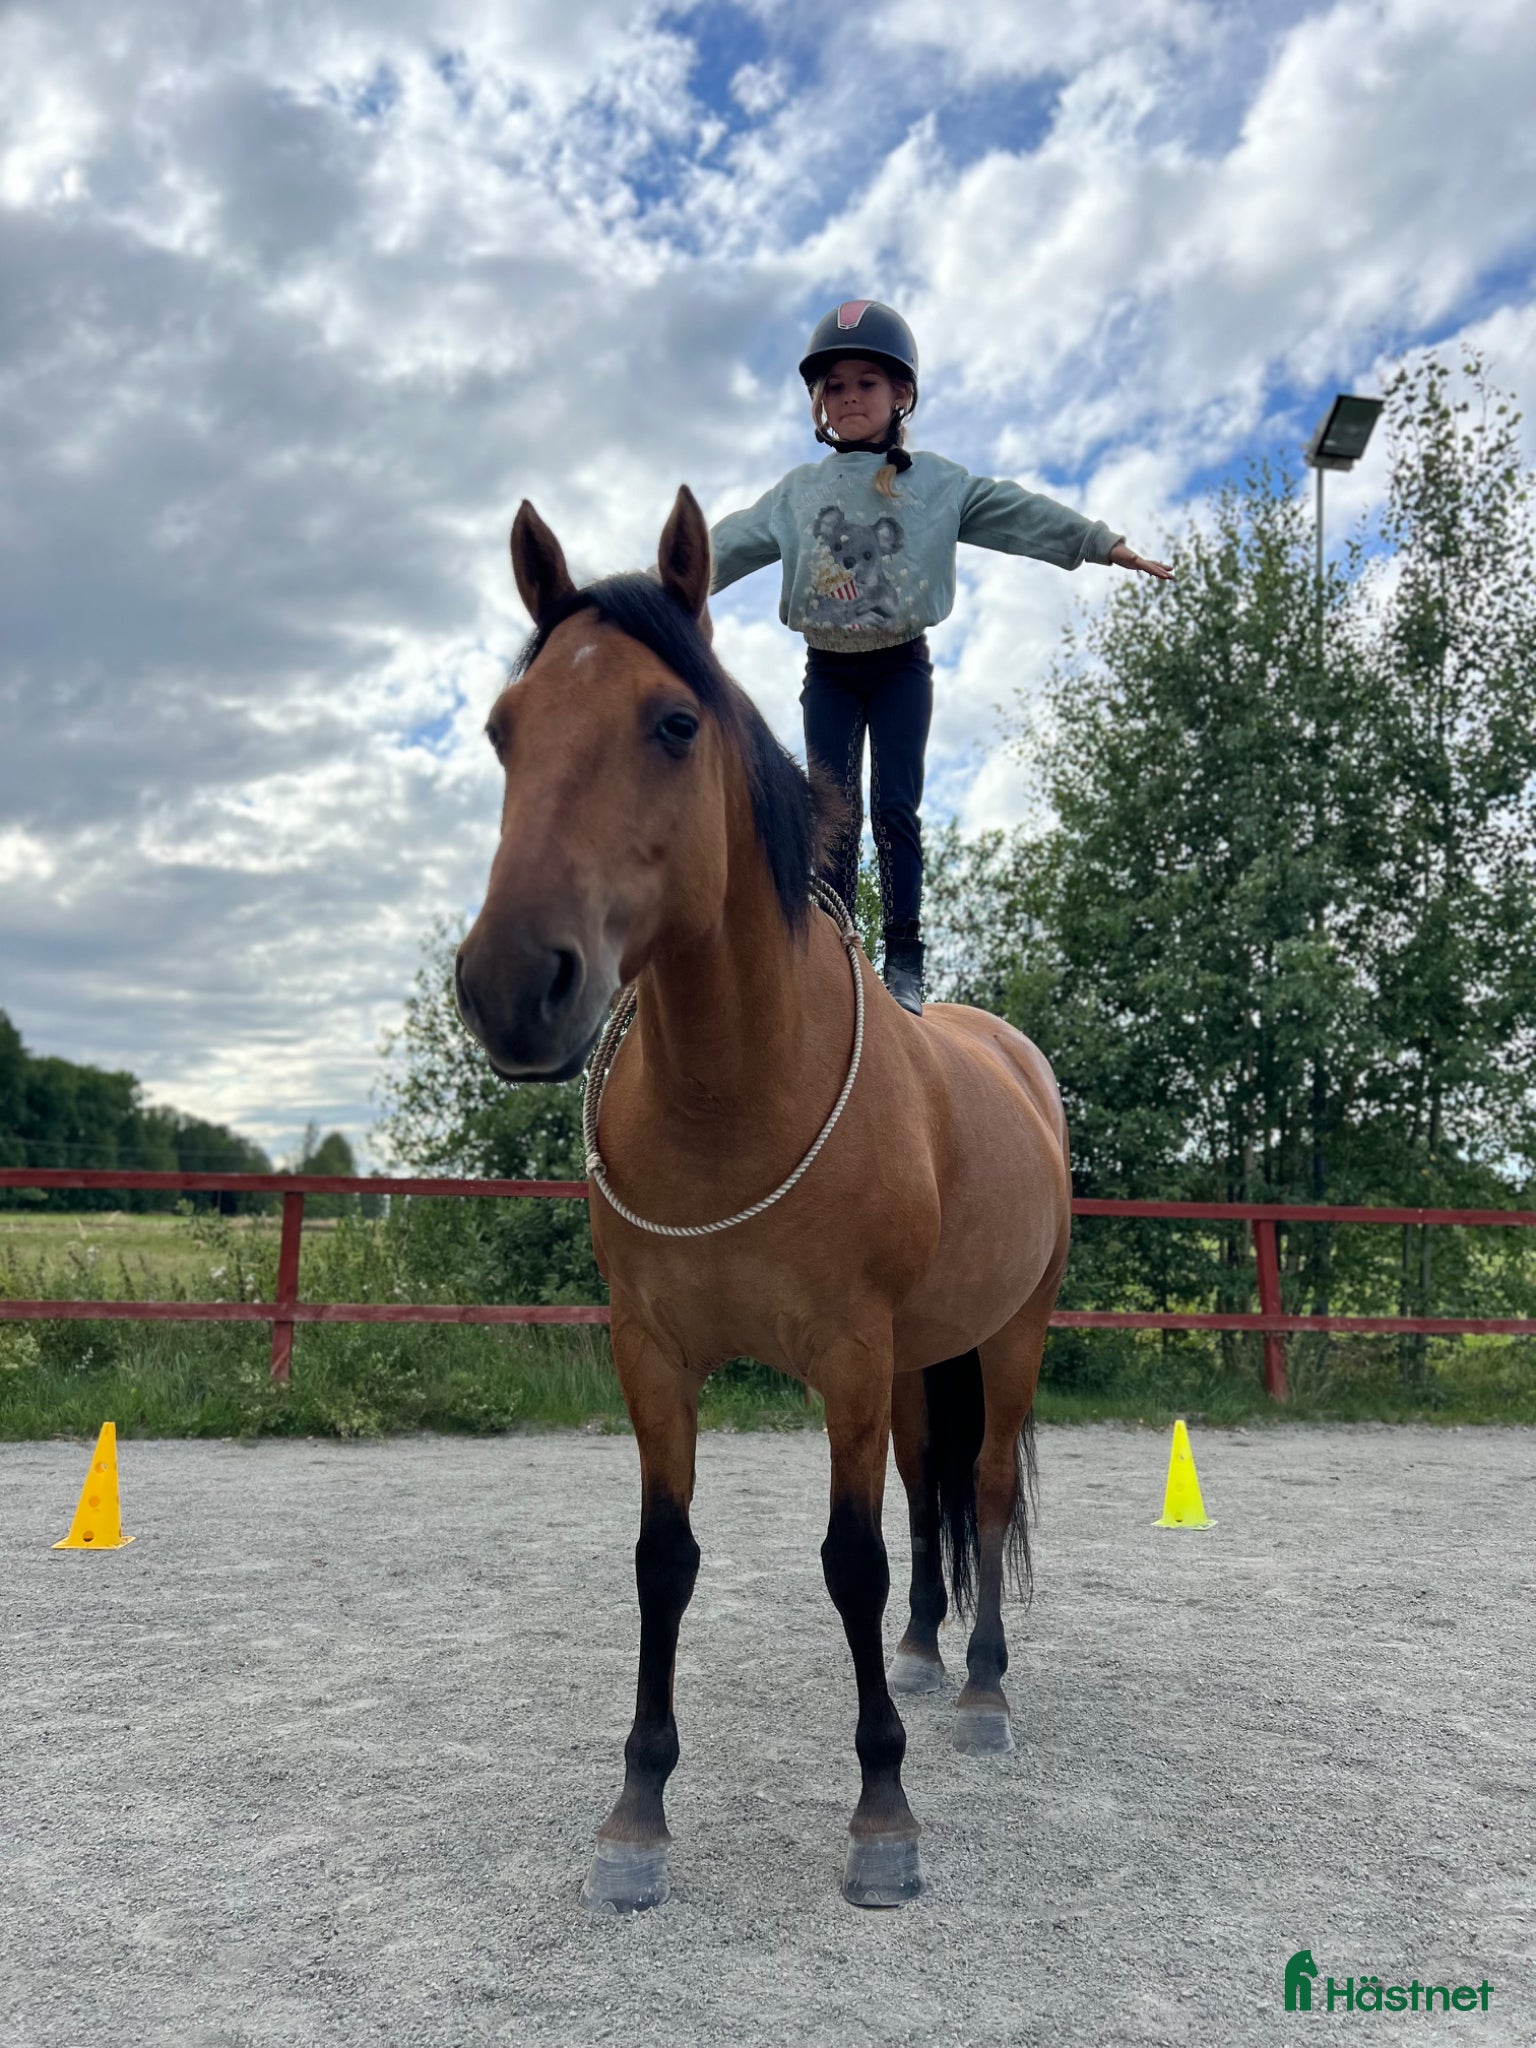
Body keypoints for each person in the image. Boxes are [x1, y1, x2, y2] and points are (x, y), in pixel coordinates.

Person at [708, 299, 1172, 1014]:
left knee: (896, 806)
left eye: (868, 382)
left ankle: (904, 959)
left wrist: (1101, 543)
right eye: (836, 386)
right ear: (819, 405)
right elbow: (725, 545)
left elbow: (1020, 511)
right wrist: (646, 595)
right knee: (831, 811)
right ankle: (832, 943)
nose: (851, 396)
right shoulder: (799, 494)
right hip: (827, 669)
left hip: (900, 666)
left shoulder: (939, 485)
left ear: (902, 396)